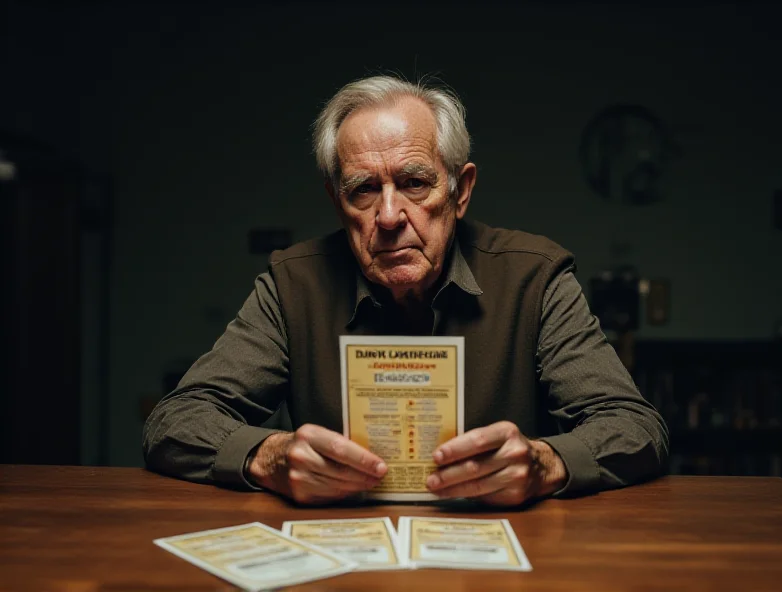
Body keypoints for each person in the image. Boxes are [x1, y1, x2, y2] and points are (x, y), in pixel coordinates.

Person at [143, 75, 669, 506]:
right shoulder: (293, 284)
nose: (390, 216)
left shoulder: (536, 278)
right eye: (364, 189)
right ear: (337, 201)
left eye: (415, 183)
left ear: (460, 191)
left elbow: (634, 426)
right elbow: (175, 420)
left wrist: (544, 464)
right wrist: (270, 456)